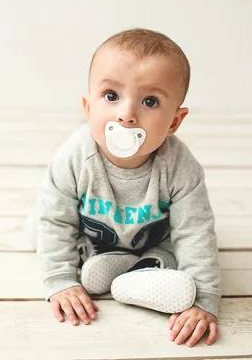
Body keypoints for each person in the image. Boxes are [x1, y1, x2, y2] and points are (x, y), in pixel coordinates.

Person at [25, 28, 221, 347]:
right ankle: (90, 252)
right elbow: (56, 221)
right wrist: (61, 281)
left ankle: (151, 263)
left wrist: (205, 299)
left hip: (152, 235)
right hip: (91, 229)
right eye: (112, 96)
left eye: (149, 101)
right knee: (39, 227)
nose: (127, 114)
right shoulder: (75, 157)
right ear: (88, 108)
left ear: (174, 122)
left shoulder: (180, 167)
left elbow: (195, 230)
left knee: (180, 246)